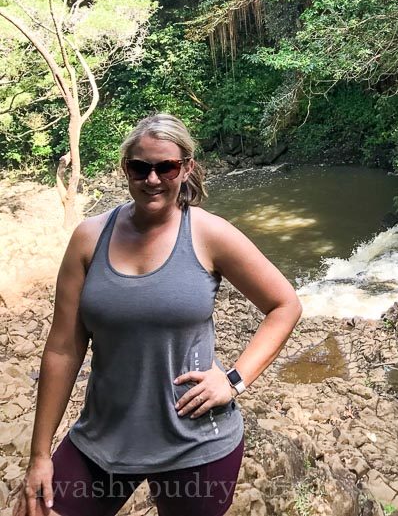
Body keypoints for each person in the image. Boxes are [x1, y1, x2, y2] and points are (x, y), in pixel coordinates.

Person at [13, 113, 303, 516]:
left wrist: (234, 380)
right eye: (140, 167)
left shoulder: (209, 234)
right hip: (105, 436)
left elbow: (284, 304)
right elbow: (63, 349)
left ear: (186, 168)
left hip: (196, 442)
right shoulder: (89, 238)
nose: (152, 179)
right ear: (125, 169)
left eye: (165, 166)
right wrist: (40, 454)